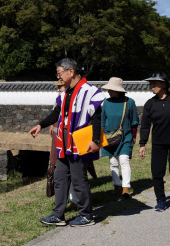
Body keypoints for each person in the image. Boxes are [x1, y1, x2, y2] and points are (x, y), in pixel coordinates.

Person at [29, 58, 105, 227]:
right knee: (60, 178)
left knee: (79, 179)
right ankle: (58, 215)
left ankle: (86, 215)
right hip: (63, 143)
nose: (59, 77)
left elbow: (97, 117)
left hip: (80, 143)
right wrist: (40, 125)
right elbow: (56, 114)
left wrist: (95, 141)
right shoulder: (65, 93)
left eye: (59, 73)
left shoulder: (89, 91)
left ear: (71, 72)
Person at [139, 72, 170, 212]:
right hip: (158, 143)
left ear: (164, 84)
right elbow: (145, 125)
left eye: (155, 83)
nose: (152, 86)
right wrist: (143, 144)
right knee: (157, 173)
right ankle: (160, 200)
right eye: (151, 83)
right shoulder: (150, 104)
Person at [100, 77, 139, 198]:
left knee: (124, 160)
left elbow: (134, 121)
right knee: (113, 162)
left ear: (118, 90)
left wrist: (133, 136)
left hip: (125, 136)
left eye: (111, 89)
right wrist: (101, 136)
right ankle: (116, 186)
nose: (109, 91)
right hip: (109, 137)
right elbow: (102, 120)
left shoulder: (129, 102)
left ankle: (126, 187)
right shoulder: (106, 102)